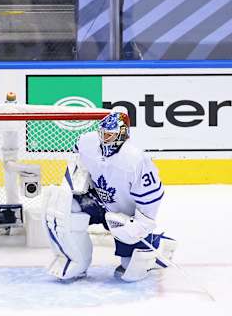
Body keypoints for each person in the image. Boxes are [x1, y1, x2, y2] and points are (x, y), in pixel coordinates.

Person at [45, 112, 176, 282]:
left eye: (109, 135)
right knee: (66, 208)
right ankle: (77, 262)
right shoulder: (87, 141)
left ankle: (159, 245)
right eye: (102, 134)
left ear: (122, 134)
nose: (103, 139)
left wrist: (140, 226)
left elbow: (152, 198)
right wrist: (79, 175)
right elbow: (77, 157)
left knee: (129, 270)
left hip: (125, 216)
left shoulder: (137, 161)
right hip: (97, 201)